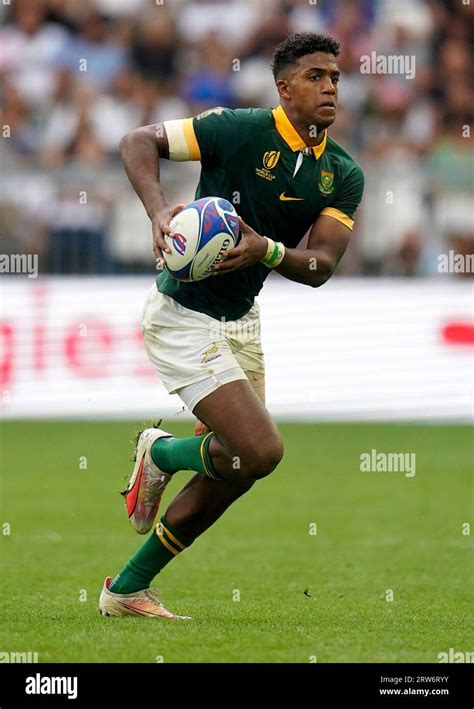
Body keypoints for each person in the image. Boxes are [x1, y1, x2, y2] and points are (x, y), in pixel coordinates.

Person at [99, 33, 364, 618]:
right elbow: (136, 140)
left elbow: (320, 266)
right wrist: (158, 209)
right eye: (316, 76)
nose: (329, 88)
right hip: (181, 316)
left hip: (241, 319)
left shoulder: (342, 173)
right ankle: (164, 454)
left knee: (239, 469)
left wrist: (266, 251)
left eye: (336, 77)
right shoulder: (237, 129)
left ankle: (126, 590)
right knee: (261, 449)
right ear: (284, 87)